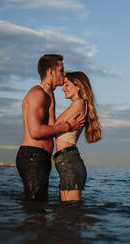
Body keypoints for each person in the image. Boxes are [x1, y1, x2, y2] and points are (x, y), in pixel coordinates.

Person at [16, 54, 85, 201]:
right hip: (32, 157)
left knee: (40, 206)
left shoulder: (49, 95)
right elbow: (36, 131)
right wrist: (67, 126)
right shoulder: (38, 94)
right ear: (51, 72)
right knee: (35, 209)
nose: (64, 73)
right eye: (61, 70)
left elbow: (53, 127)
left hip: (41, 157)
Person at [53, 71, 102, 201]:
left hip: (69, 161)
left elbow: (54, 127)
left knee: (70, 212)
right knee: (66, 213)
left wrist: (50, 100)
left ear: (78, 86)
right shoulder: (78, 104)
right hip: (67, 160)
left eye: (66, 85)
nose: (63, 89)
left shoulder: (78, 103)